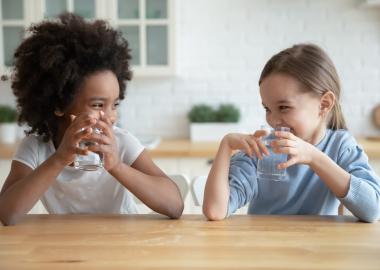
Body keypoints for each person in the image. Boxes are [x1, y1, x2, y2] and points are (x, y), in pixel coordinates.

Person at [0, 13, 183, 225]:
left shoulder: (122, 143)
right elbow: (7, 214)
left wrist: (117, 166)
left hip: (122, 244)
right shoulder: (36, 148)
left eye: (114, 105)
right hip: (67, 249)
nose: (111, 117)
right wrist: (59, 158)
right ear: (59, 104)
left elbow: (175, 205)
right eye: (97, 105)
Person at [203, 43, 380, 222]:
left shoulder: (340, 146)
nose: (272, 120)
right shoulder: (262, 149)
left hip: (320, 247)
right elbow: (215, 211)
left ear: (324, 104)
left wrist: (314, 157)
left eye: (284, 107)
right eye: (267, 109)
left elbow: (373, 210)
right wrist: (226, 146)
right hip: (264, 246)